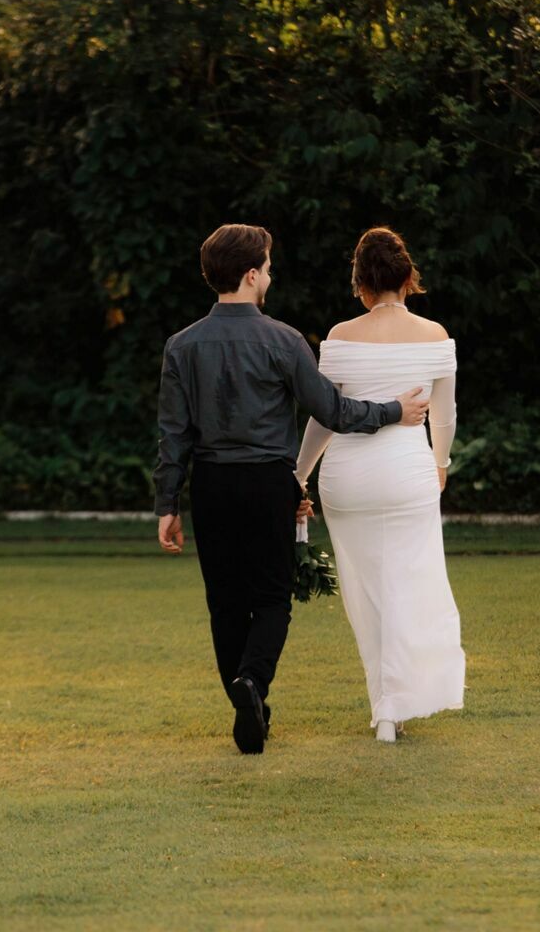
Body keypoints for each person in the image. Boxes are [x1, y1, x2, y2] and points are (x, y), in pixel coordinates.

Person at [153, 222, 428, 755]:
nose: (271, 276)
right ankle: (252, 684)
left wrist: (167, 503)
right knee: (273, 597)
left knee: (224, 602)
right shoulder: (283, 340)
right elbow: (333, 411)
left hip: (210, 485)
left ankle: (247, 698)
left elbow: (173, 434)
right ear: (252, 274)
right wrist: (396, 410)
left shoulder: (181, 346)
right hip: (267, 483)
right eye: (269, 268)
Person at [296, 226, 464, 742]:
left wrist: (298, 473)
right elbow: (445, 415)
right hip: (407, 474)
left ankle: (384, 704)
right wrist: (440, 464)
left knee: (368, 589)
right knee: (408, 585)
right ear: (408, 277)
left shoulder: (341, 337)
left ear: (360, 282)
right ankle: (392, 705)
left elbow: (325, 418)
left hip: (348, 480)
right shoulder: (435, 336)